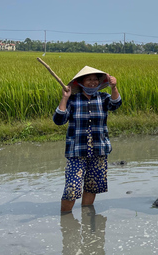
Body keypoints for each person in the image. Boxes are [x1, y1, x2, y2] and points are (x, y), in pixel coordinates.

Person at [53, 66, 122, 212]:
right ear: (81, 83)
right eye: (89, 79)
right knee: (72, 187)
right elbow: (59, 120)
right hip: (77, 150)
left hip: (99, 148)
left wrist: (114, 87)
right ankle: (65, 220)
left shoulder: (103, 98)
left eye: (95, 80)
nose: (92, 82)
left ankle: (88, 217)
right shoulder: (73, 99)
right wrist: (64, 98)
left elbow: (116, 105)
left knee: (93, 185)